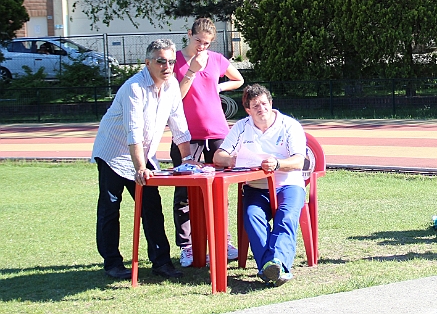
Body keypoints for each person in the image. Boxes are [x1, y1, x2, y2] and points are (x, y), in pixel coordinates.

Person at [91, 39, 192, 280]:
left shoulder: (172, 86)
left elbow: (180, 126)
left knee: (152, 207)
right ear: (148, 63)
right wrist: (140, 168)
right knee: (110, 208)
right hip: (113, 154)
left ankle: (162, 263)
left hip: (143, 154)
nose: (167, 66)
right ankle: (112, 263)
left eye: (171, 61)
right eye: (161, 61)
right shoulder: (134, 88)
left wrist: (188, 160)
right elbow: (133, 131)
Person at [213, 84, 306, 286]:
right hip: (256, 186)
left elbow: (299, 161)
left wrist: (278, 163)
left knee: (286, 217)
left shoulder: (290, 125)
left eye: (264, 103)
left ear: (271, 103)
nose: (261, 108)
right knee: (251, 217)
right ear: (248, 109)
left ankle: (277, 264)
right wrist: (234, 160)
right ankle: (271, 267)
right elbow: (218, 156)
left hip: (288, 184)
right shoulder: (241, 127)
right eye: (255, 105)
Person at [170, 17, 245, 267]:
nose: (202, 46)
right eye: (198, 41)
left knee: (219, 189)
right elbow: (175, 98)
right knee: (184, 192)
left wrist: (219, 88)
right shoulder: (175, 61)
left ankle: (223, 241)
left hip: (217, 131)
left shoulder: (216, 59)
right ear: (189, 34)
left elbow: (238, 79)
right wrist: (192, 71)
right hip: (186, 134)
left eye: (207, 43)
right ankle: (188, 246)